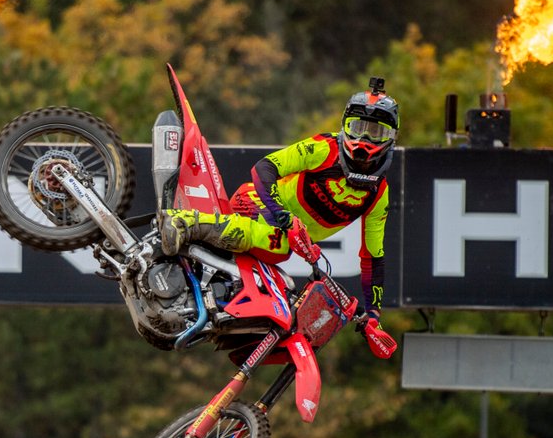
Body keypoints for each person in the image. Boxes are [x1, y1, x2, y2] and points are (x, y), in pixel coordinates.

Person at [159, 77, 398, 353]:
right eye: (357, 129)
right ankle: (187, 223)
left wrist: (374, 315)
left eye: (375, 132)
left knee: (282, 288)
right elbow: (264, 168)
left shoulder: (378, 194)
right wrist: (282, 214)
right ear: (344, 127)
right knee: (280, 245)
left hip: (282, 235)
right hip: (256, 203)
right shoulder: (323, 148)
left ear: (390, 138)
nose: (364, 140)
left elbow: (372, 257)